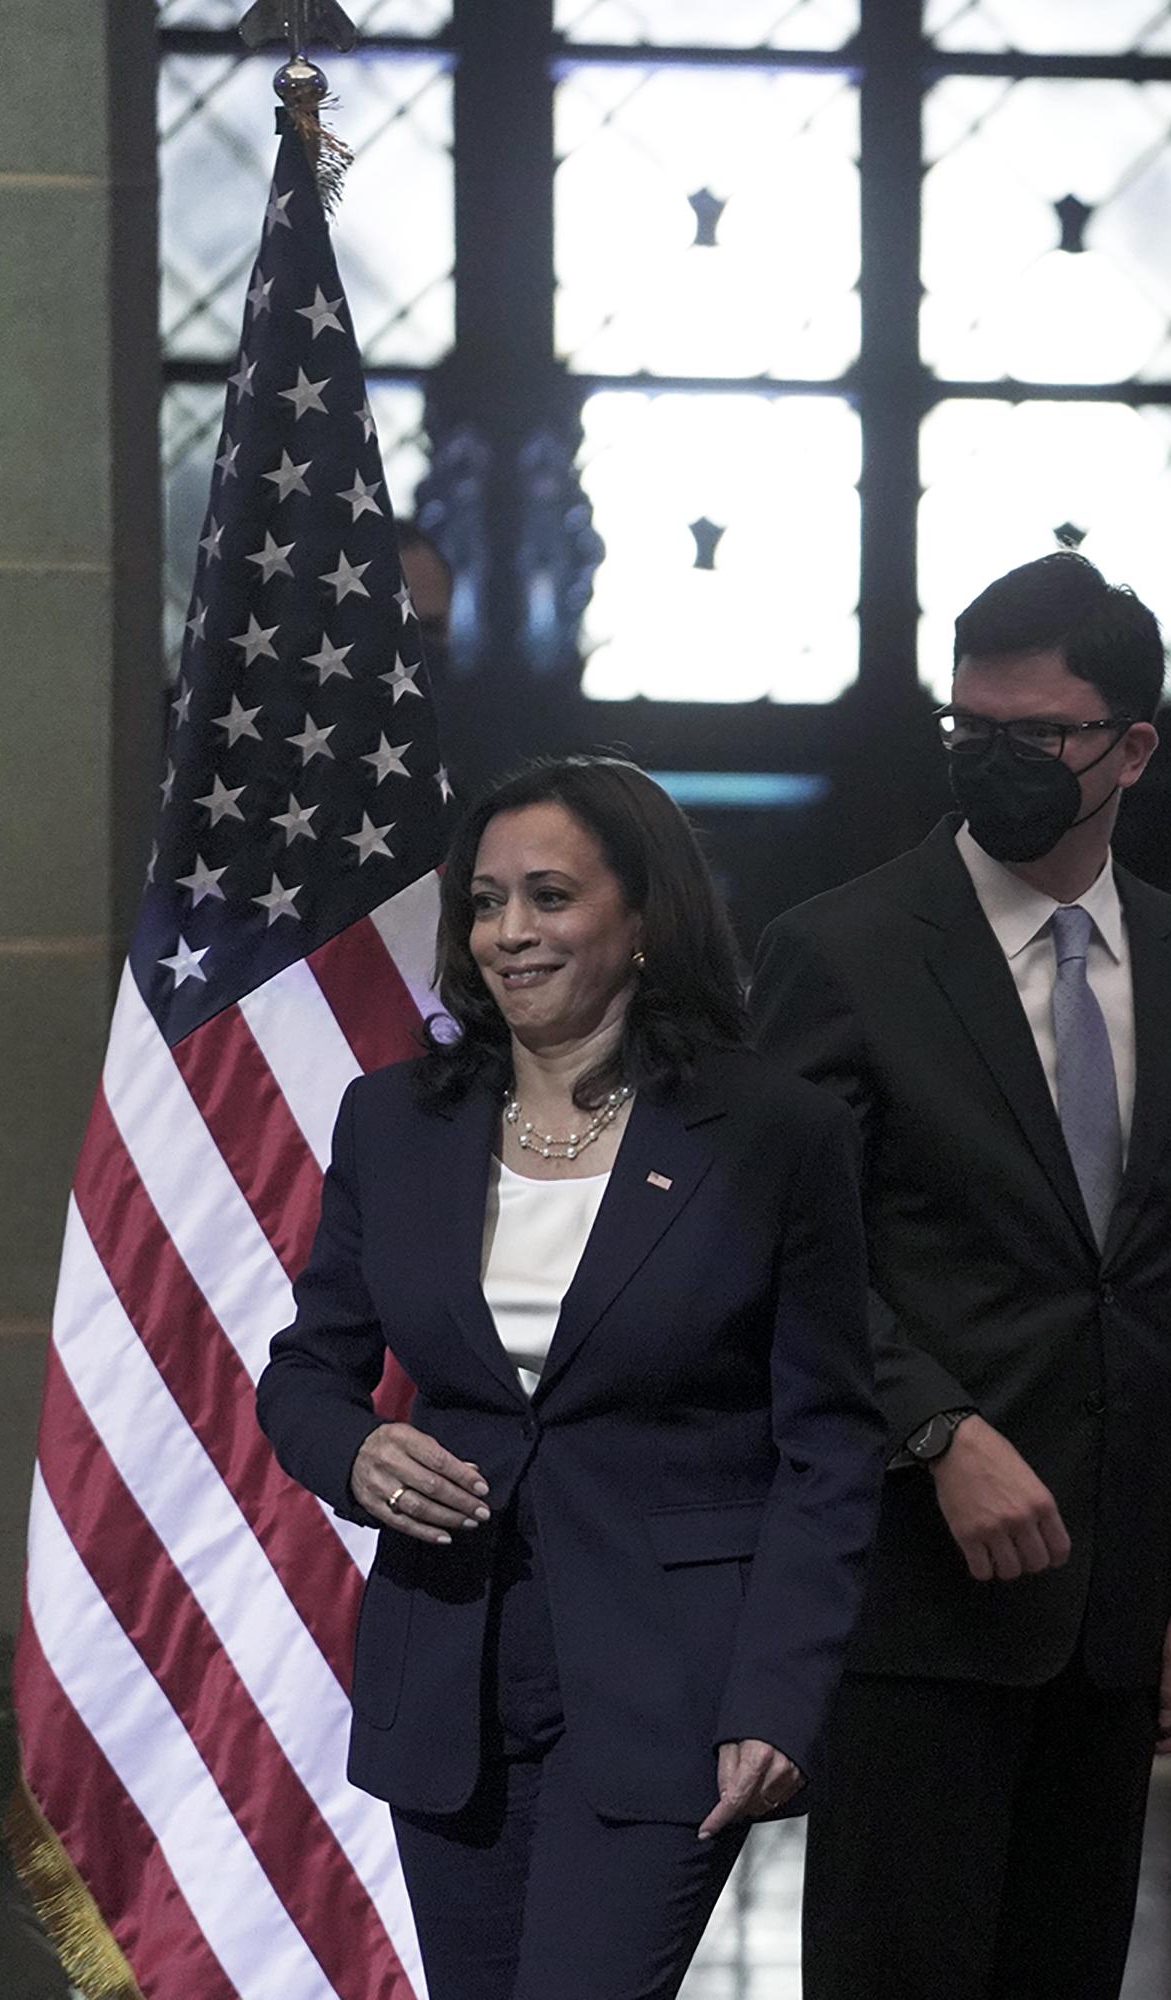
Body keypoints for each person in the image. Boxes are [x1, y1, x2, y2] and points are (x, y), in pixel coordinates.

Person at [257, 756, 884, 2000]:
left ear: (643, 916)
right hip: (447, 1678)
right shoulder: (393, 1122)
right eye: (486, 901)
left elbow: (830, 1444)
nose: (508, 932)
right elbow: (304, 1375)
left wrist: (780, 1689)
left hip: (671, 1686)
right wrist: (357, 1451)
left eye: (549, 894)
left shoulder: (774, 1133)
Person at [752, 550, 1171, 1999]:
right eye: (969, 729)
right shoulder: (841, 951)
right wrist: (937, 1428)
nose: (996, 761)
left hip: (1114, 1610)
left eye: (1035, 738)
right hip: (914, 1592)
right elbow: (781, 1247)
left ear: (1132, 748)